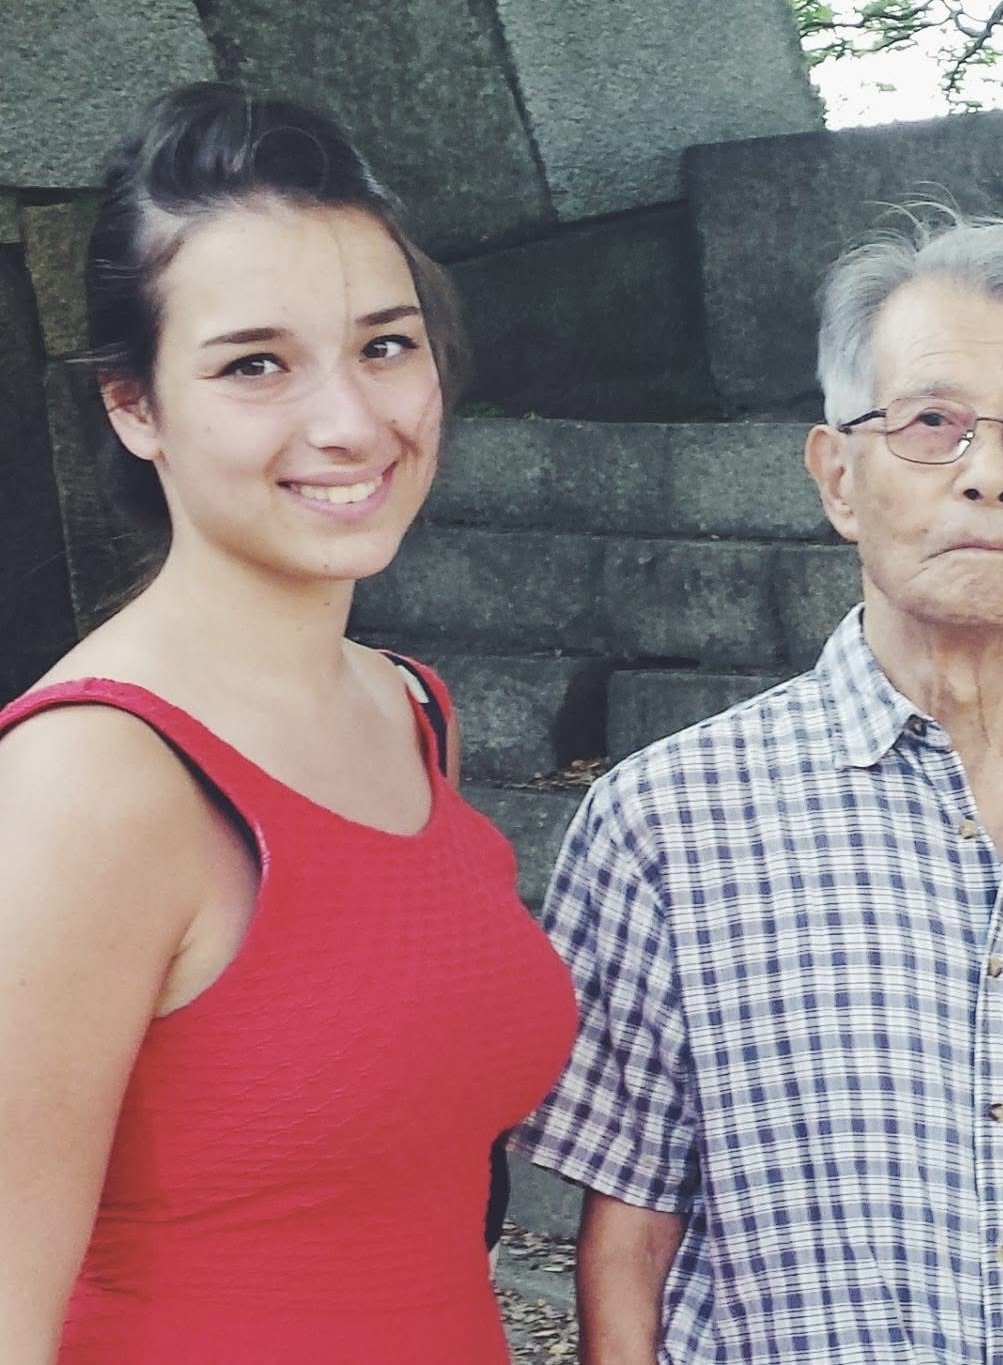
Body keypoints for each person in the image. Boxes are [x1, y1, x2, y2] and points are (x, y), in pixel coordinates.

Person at [0, 82, 577, 1364]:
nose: (352, 423)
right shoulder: (88, 779)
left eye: (386, 345)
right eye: (254, 364)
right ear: (134, 406)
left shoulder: (409, 707)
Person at [512, 212, 1003, 1364]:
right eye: (932, 424)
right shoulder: (666, 823)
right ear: (838, 476)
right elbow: (628, 1234)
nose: (987, 474)